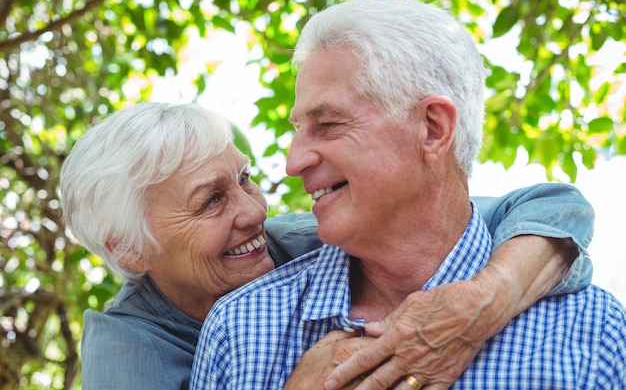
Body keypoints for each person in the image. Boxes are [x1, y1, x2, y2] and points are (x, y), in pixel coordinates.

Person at [189, 0, 626, 390]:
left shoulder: (591, 334)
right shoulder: (239, 329)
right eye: (298, 130)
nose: (293, 162)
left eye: (328, 125)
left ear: (432, 130)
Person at [60, 103, 590, 390]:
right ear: (130, 249)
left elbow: (553, 207)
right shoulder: (124, 349)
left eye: (245, 179)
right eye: (210, 202)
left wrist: (484, 300)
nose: (253, 212)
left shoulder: (296, 242)